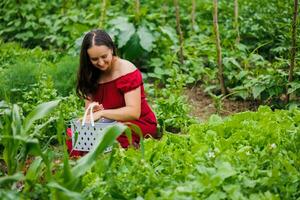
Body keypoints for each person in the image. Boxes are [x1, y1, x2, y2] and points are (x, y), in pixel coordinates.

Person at [67, 29, 158, 155]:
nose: (100, 63)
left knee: (109, 138)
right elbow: (90, 110)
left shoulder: (125, 70)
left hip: (135, 123)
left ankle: (126, 148)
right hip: (109, 122)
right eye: (94, 59)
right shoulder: (90, 73)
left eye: (104, 57)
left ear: (111, 49)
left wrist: (102, 113)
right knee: (74, 136)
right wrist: (94, 110)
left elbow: (133, 112)